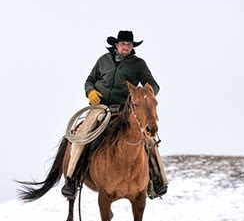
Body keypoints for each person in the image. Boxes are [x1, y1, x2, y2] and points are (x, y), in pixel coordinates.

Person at [61, 30, 168, 200]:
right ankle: (71, 180)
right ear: (116, 45)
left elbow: (154, 85)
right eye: (123, 43)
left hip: (126, 111)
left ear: (132, 47)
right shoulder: (103, 60)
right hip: (100, 107)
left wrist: (145, 95)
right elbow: (90, 79)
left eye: (129, 44)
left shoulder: (138, 64)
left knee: (150, 140)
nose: (126, 46)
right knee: (81, 136)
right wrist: (90, 92)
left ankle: (158, 181)